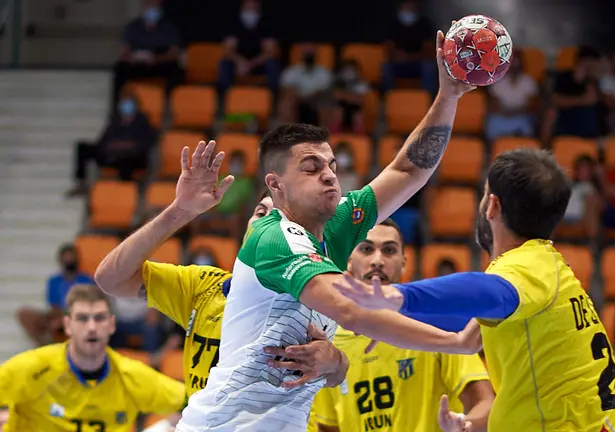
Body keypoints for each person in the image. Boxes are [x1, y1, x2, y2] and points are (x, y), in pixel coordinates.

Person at [176, 28, 476, 432]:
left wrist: (448, 96)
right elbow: (351, 309)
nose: (329, 176)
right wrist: (454, 341)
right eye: (312, 168)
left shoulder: (337, 223)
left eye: (331, 165)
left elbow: (408, 170)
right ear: (275, 185)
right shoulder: (275, 237)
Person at [335, 149, 615, 431]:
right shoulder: (547, 270)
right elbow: (462, 341)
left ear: (492, 205)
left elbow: (489, 291)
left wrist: (398, 296)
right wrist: (383, 323)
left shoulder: (527, 267)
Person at [94, 147, 343, 409]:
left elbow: (341, 371)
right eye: (261, 213)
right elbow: (111, 279)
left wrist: (335, 362)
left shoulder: (319, 296)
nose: (268, 225)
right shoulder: (201, 285)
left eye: (281, 218)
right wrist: (180, 210)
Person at [311, 220, 495, 432]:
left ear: (404, 262)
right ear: (349, 260)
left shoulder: (435, 327)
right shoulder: (331, 341)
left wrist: (465, 424)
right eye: (366, 249)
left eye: (389, 250)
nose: (378, 260)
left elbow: (485, 404)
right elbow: (327, 426)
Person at [0, 284, 185, 431]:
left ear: (111, 324)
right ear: (67, 325)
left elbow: (190, 401)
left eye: (99, 318)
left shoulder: (131, 376)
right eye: (82, 318)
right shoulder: (31, 368)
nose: (91, 327)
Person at [68, 93, 156, 196]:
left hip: (133, 157)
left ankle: (126, 192)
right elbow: (104, 141)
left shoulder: (142, 121)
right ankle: (81, 183)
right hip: (112, 154)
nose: (126, 107)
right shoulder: (115, 120)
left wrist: (126, 145)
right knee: (83, 148)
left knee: (126, 160)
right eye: (124, 104)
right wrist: (113, 146)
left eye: (129, 104)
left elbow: (146, 143)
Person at [17, 243, 94, 346]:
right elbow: (53, 304)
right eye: (66, 257)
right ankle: (45, 345)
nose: (69, 260)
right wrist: (58, 317)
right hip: (57, 314)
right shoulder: (54, 281)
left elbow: (91, 303)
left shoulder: (86, 280)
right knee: (24, 314)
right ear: (60, 260)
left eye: (71, 256)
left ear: (77, 258)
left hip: (79, 316)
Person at [111, 0, 182, 110]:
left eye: (156, 6)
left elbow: (175, 52)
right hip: (138, 64)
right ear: (144, 6)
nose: (153, 9)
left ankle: (173, 109)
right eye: (150, 5)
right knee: (120, 70)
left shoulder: (169, 27)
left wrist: (156, 59)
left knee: (177, 71)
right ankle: (117, 110)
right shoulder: (133, 27)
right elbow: (124, 53)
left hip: (160, 63)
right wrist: (134, 58)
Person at [218, 0, 280, 95]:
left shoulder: (266, 24)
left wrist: (252, 64)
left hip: (259, 63)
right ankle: (225, 99)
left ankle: (272, 100)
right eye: (248, 5)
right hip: (238, 63)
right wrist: (240, 62)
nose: (251, 8)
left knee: (272, 64)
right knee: (225, 64)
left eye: (254, 5)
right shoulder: (233, 23)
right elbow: (228, 50)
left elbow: (271, 51)